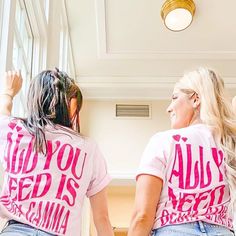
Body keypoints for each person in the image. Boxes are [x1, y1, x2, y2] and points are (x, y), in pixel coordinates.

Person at [0, 70, 114, 236]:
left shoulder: (15, 131)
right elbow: (101, 218)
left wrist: (8, 92)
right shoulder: (87, 148)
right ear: (71, 105)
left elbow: (4, 112)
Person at [128, 67, 236, 236]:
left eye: (174, 98)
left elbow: (142, 216)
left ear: (195, 99)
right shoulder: (229, 144)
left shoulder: (163, 141)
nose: (169, 108)